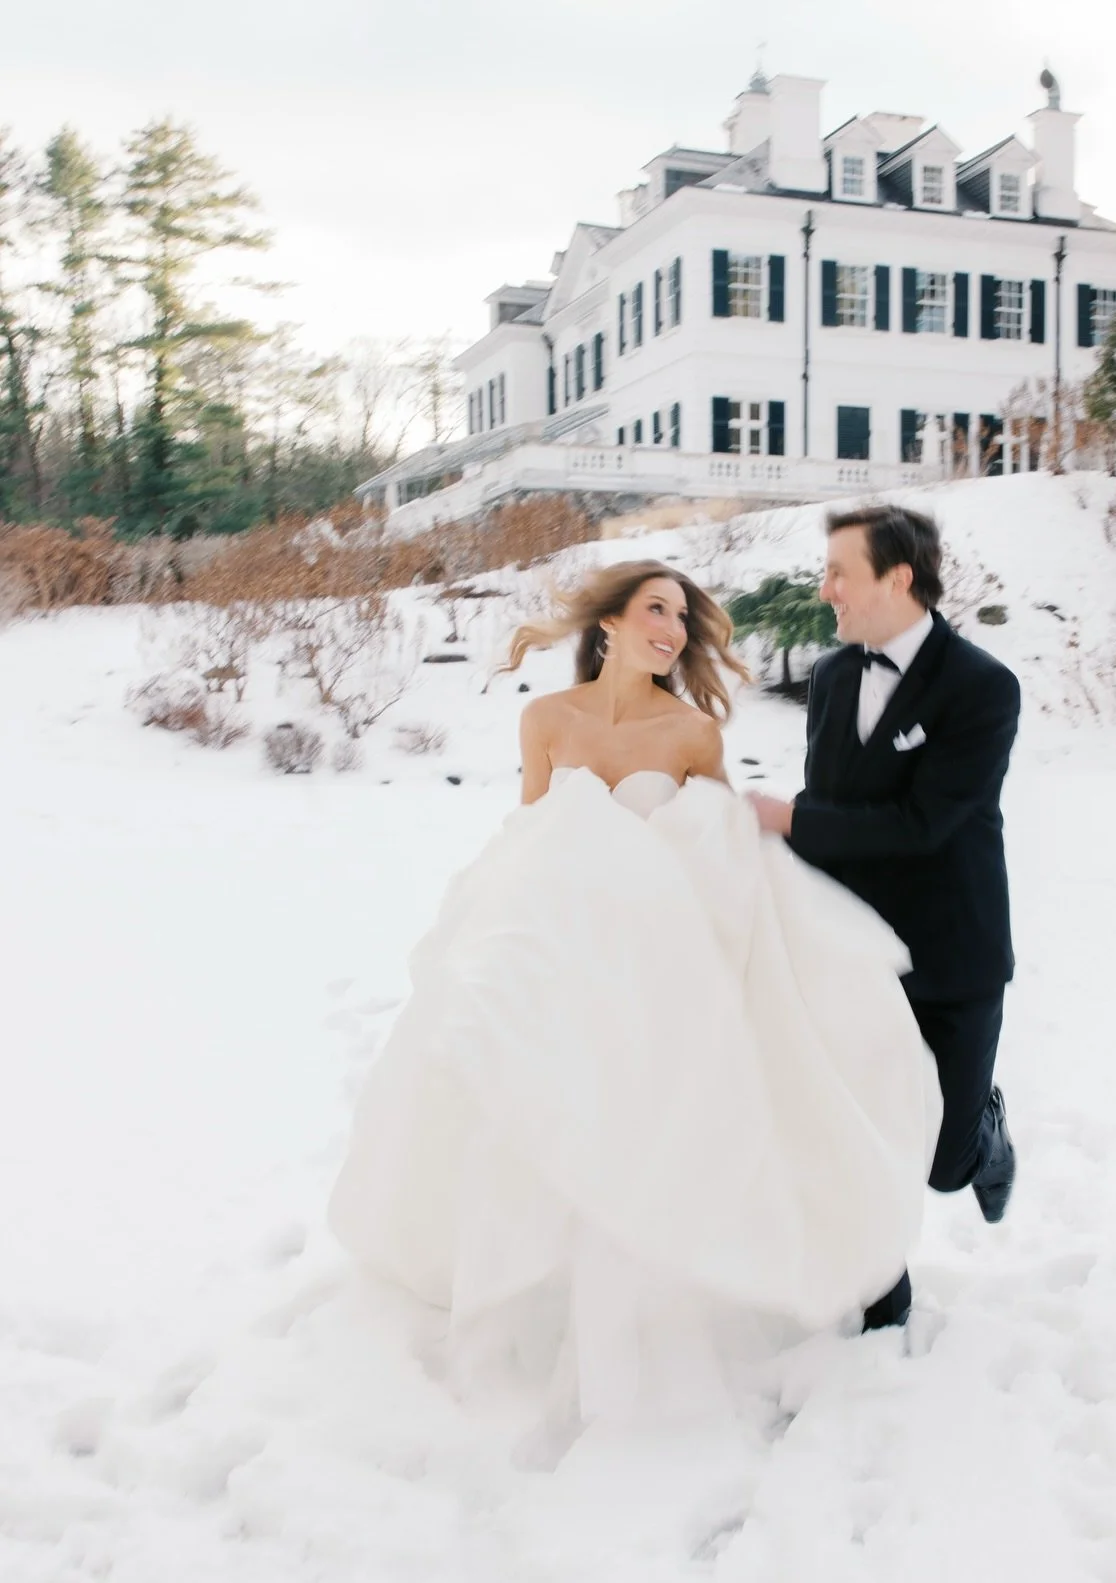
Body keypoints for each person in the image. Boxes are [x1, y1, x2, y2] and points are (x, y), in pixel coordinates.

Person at [328, 560, 941, 1430]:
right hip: (566, 951)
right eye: (656, 608)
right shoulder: (544, 720)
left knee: (665, 1107)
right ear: (608, 622)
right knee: (501, 1053)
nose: (674, 627)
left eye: (684, 616)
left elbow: (725, 850)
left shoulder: (692, 734)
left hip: (661, 956)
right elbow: (535, 836)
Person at [750, 505, 1021, 1333]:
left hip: (951, 951)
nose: (824, 588)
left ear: (898, 577)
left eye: (840, 572)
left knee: (940, 1162)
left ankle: (981, 1126)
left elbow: (923, 826)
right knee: (853, 1129)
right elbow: (832, 807)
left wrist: (787, 819)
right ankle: (881, 1292)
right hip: (849, 953)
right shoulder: (833, 678)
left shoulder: (983, 687)